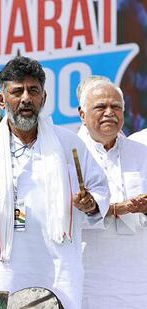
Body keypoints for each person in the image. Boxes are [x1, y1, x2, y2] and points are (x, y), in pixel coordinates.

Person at [0, 56, 109, 309]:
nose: (26, 98)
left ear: (44, 97)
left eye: (33, 91)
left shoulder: (68, 143)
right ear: (1, 99)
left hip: (55, 264)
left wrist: (89, 203)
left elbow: (99, 192)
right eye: (17, 91)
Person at [76, 76, 147, 309]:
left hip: (137, 274)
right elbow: (63, 213)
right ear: (82, 115)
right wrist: (118, 208)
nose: (109, 112)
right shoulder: (69, 153)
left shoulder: (140, 152)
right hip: (89, 273)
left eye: (116, 107)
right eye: (100, 107)